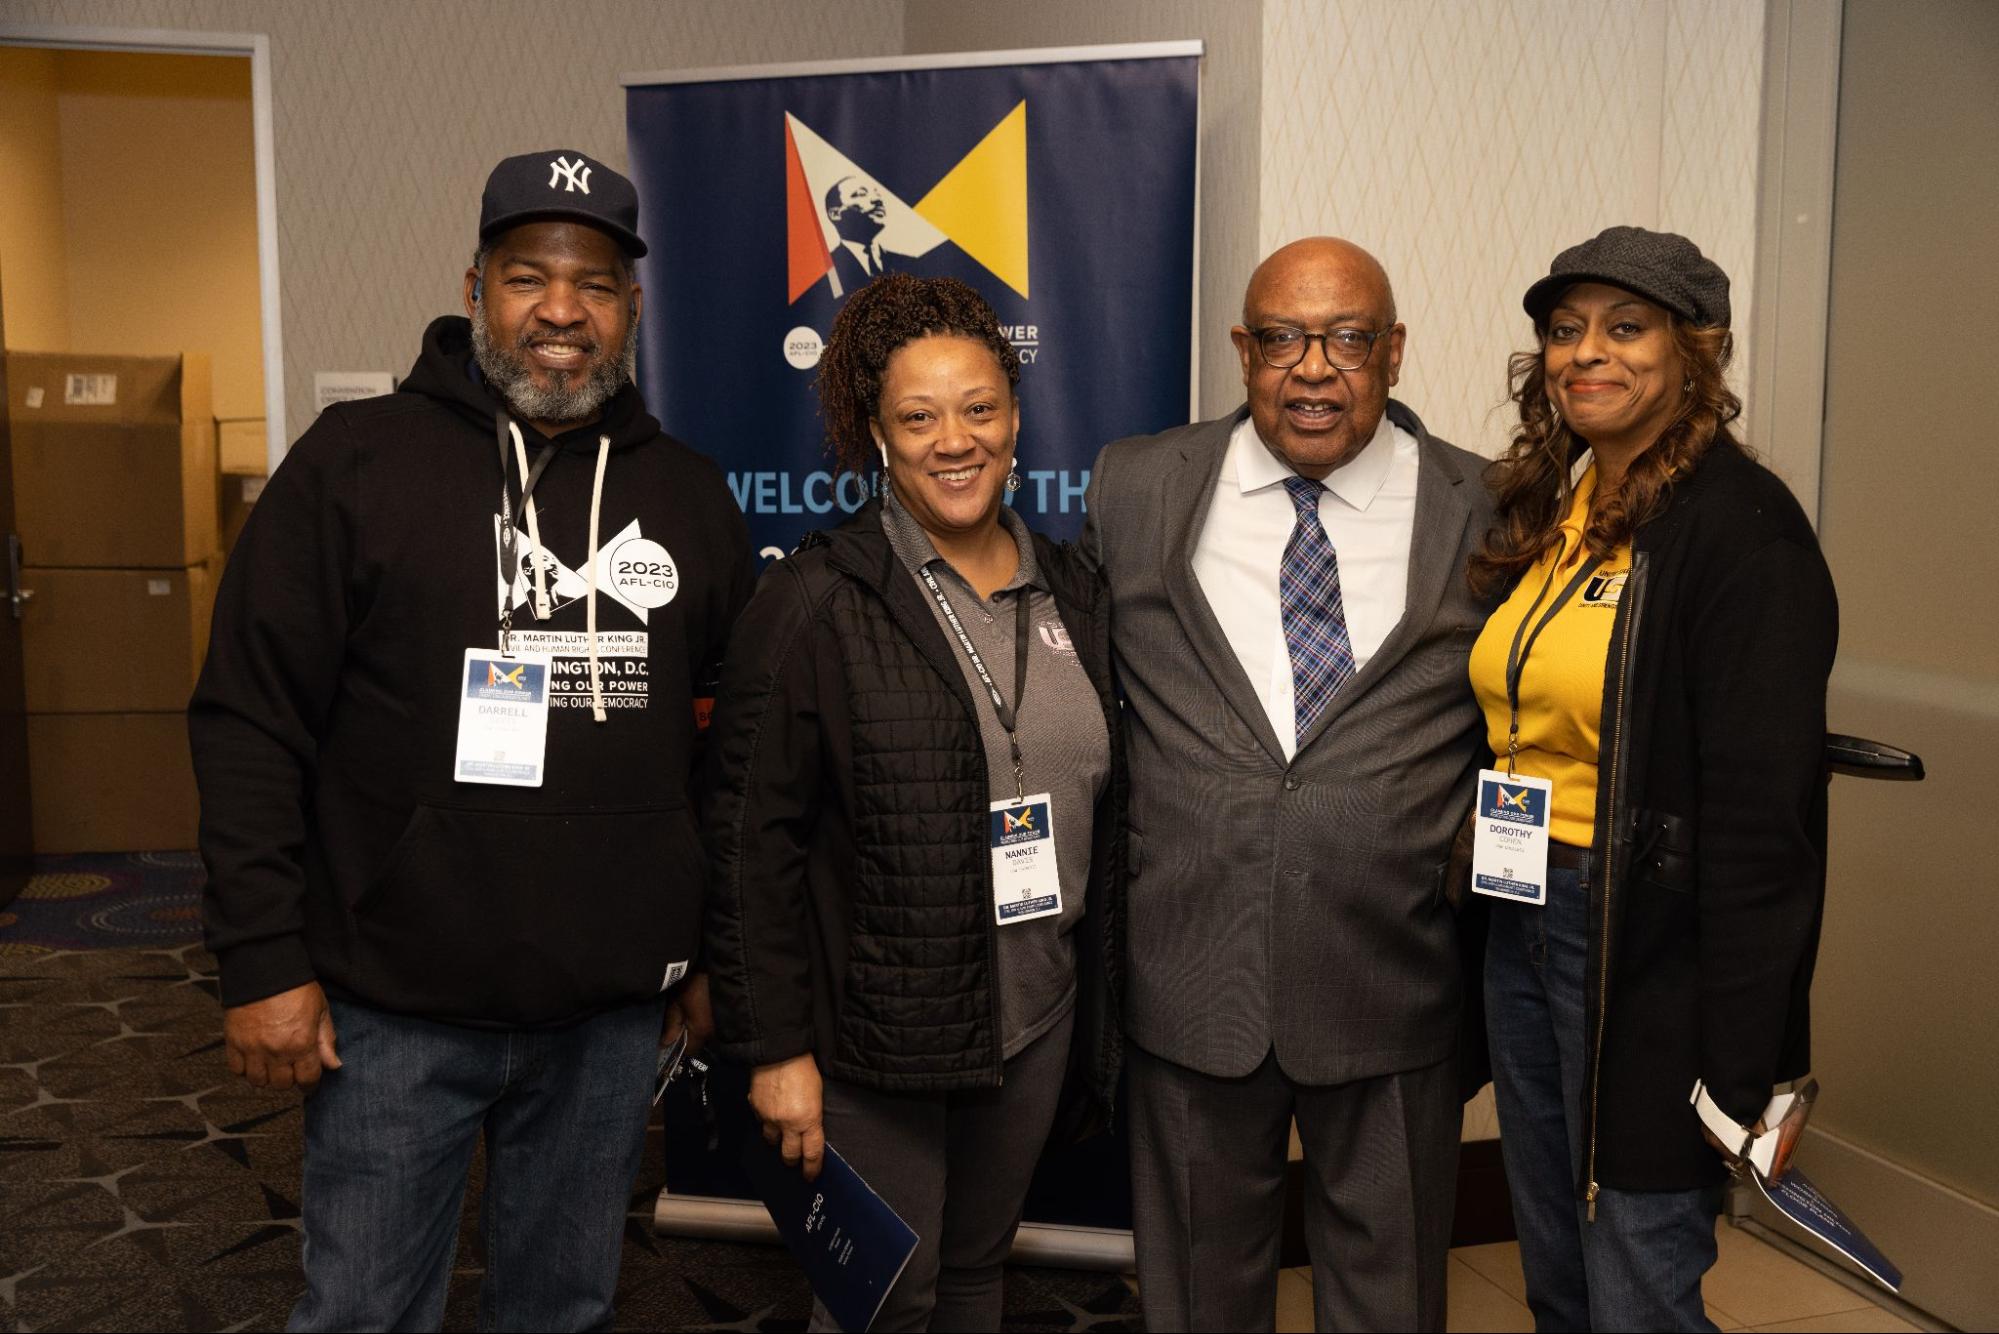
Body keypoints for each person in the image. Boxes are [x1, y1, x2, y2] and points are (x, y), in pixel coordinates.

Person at [188, 148, 754, 1331]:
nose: (561, 310)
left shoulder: (691, 496)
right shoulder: (354, 462)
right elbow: (250, 717)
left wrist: (706, 952)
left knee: (559, 1309)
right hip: (393, 1011)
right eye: (527, 276)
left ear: (631, 306)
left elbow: (730, 756)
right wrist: (262, 958)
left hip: (604, 1021)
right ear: (474, 287)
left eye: (595, 283)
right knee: (364, 1312)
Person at [1083, 237, 1496, 1331]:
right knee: (1198, 1295)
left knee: (1390, 1293)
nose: (1314, 368)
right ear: (1242, 350)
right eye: (1281, 339)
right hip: (1191, 965)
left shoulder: (1489, 504)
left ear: (1394, 352)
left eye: (1348, 338)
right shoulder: (1133, 483)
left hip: (1395, 969)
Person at [702, 273, 1125, 1333]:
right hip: (873, 1035)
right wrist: (774, 1050)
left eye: (978, 408)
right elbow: (750, 843)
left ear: (1016, 416)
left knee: (978, 1272)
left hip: (1033, 1013)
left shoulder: (1076, 589)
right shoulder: (815, 601)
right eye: (918, 416)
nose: (955, 440)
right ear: (877, 437)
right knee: (883, 1300)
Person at [1467, 226, 1838, 1331]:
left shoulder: (1739, 530)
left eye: (1625, 328)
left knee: (1635, 1271)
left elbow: (1766, 825)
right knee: (1556, 1260)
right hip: (1524, 907)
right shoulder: (1561, 506)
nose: (1589, 353)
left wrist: (1741, 1058)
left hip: (1645, 938)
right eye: (1567, 329)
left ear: (1695, 352)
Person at [826, 175, 894, 292]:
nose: (877, 199)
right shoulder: (829, 274)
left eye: (877, 193)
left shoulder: (910, 264)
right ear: (835, 214)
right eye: (862, 194)